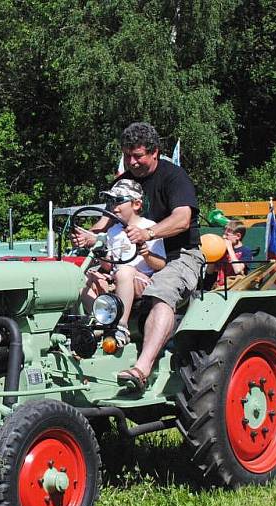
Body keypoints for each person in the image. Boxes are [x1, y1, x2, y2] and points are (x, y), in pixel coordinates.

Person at [75, 122, 202, 393]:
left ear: (155, 152)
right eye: (127, 155)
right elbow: (106, 221)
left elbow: (182, 219)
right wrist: (87, 238)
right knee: (82, 278)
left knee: (162, 290)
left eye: (138, 156)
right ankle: (90, 345)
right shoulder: (123, 183)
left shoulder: (174, 177)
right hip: (135, 259)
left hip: (178, 255)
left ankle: (141, 368)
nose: (132, 162)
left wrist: (149, 232)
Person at [76, 179, 166, 345]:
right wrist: (102, 257)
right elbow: (110, 265)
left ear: (136, 204)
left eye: (118, 201)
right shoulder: (113, 231)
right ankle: (100, 321)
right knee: (81, 279)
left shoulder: (149, 227)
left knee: (125, 271)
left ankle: (122, 326)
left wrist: (146, 254)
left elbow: (160, 264)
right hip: (117, 278)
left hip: (141, 282)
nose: (113, 207)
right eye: (111, 201)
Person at [206, 220, 253, 287]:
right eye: (224, 234)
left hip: (236, 286)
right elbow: (209, 271)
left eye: (227, 235)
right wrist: (213, 253)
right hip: (219, 286)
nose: (223, 237)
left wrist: (230, 248)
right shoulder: (221, 250)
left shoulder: (245, 251)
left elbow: (238, 270)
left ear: (238, 236)